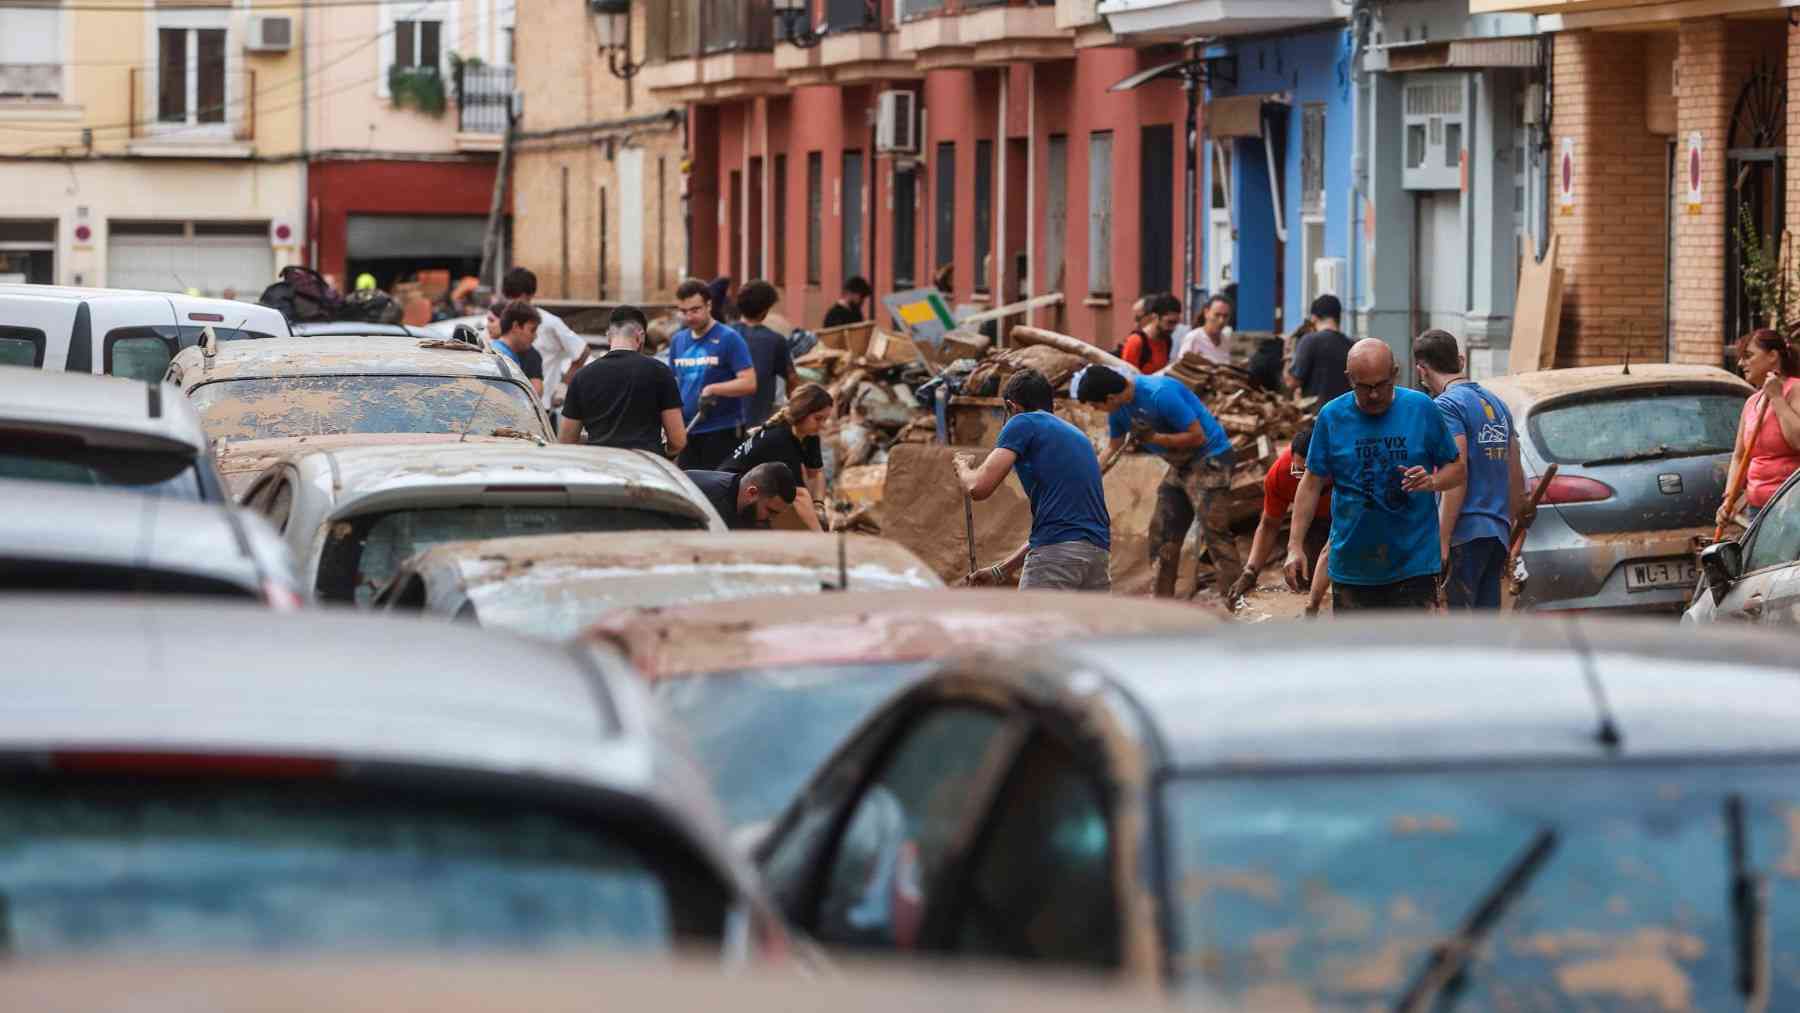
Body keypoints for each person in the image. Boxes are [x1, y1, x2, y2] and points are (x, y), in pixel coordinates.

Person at [1286, 338, 1464, 612]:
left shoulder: (1422, 408)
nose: (1373, 395)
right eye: (1363, 387)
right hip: (1353, 567)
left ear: (1394, 373)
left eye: (1381, 385)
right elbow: (1311, 484)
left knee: (1409, 653)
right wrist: (1294, 546)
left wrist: (1433, 482)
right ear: (1349, 379)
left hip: (1413, 565)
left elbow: (1457, 469)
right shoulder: (1331, 417)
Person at [1074, 364, 1240, 602]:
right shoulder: (1117, 410)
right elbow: (1112, 447)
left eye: (1095, 404)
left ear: (1109, 397)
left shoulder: (1159, 393)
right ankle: (1163, 607)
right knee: (1162, 536)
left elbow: (1197, 436)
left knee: (1215, 535)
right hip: (1181, 466)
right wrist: (1088, 478)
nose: (1095, 409)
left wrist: (1155, 438)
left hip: (1211, 458)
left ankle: (1238, 606)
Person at [956, 369, 1112, 591]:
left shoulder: (1022, 422)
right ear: (1051, 405)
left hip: (1057, 558)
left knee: (1033, 627)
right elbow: (1064, 534)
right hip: (1097, 556)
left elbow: (978, 488)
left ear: (1012, 406)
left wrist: (962, 468)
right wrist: (1000, 571)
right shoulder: (1078, 437)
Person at [1414, 329, 1525, 610]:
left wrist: (1441, 540)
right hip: (1496, 535)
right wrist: (1509, 530)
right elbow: (1515, 476)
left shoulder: (1445, 406)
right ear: (1460, 361)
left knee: (1459, 634)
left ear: (1421, 370)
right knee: (1483, 634)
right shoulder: (1497, 404)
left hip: (1463, 534)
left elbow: (1456, 473)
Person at [1228, 424, 1333, 614]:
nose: (1302, 480)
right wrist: (1250, 571)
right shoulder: (1281, 474)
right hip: (1314, 522)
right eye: (1298, 471)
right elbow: (1269, 524)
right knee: (1304, 575)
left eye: (1309, 473)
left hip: (1353, 514)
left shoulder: (1347, 467)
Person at [558, 305, 686, 456]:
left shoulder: (582, 376)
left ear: (608, 336)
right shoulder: (660, 372)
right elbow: (678, 441)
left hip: (601, 469)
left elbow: (566, 440)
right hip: (646, 469)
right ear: (641, 336)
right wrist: (665, 455)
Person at [669, 277, 757, 470]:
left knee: (719, 491)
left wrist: (714, 389)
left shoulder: (729, 338)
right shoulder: (678, 341)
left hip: (722, 432)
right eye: (684, 311)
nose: (689, 317)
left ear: (709, 305)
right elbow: (674, 384)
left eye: (695, 310)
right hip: (687, 433)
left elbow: (749, 382)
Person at [724, 383, 832, 532]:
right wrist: (820, 537)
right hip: (730, 496)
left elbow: (816, 472)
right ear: (802, 413)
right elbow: (799, 495)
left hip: (753, 491)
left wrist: (819, 505)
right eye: (818, 418)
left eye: (825, 419)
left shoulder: (808, 435)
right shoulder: (780, 439)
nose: (823, 425)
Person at [1721, 328, 1800, 528]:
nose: (1740, 363)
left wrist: (1777, 398)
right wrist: (1729, 499)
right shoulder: (1752, 402)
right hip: (1757, 509)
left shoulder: (1795, 389)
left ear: (1773, 356)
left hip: (1790, 509)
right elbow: (1740, 456)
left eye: (1748, 356)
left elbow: (1798, 441)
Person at [502, 267, 589, 423]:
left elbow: (582, 351)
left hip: (541, 407)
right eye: (509, 298)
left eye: (518, 298)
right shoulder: (503, 319)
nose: (513, 304)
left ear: (529, 296)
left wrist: (562, 389)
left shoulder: (550, 322)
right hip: (505, 405)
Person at [734, 280, 799, 428]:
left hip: (724, 423)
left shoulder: (723, 335)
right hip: (758, 424)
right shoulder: (775, 341)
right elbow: (792, 380)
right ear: (765, 310)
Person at [685, 462, 797, 530]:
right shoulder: (710, 502)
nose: (771, 518)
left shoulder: (740, 497)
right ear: (752, 492)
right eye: (770, 511)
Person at [1286, 294, 1354, 404]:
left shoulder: (1309, 341)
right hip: (1345, 415)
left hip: (1317, 416)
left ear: (1313, 318)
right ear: (1338, 318)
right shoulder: (1352, 345)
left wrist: (1287, 354)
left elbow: (1291, 382)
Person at [491, 301, 544, 399]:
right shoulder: (504, 360)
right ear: (516, 326)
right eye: (532, 330)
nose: (535, 336)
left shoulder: (495, 351)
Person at [1117, 295, 1171, 374]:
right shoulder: (1135, 340)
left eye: (1138, 318)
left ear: (1152, 316)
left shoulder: (1167, 339)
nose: (1136, 324)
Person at [1180, 295, 1235, 366]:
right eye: (1217, 315)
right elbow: (1180, 369)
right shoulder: (1193, 338)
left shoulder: (1226, 341)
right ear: (1206, 313)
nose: (1221, 320)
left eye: (1225, 316)